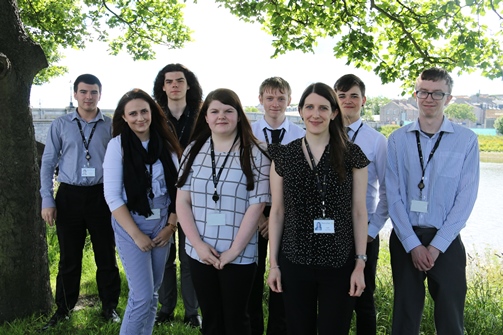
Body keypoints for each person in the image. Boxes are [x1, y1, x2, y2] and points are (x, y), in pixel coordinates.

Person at [267, 82, 369, 335]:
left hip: (339, 261)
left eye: (323, 108)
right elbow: (277, 211)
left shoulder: (352, 154)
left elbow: (359, 211)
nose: (316, 114)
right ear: (300, 111)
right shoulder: (285, 156)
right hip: (294, 260)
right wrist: (274, 264)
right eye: (309, 107)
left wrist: (360, 264)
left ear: (334, 113)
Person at [386, 67, 480, 335]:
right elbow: (393, 196)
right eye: (423, 92)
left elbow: (466, 198)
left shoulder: (466, 141)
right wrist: (413, 245)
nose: (429, 98)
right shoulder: (397, 140)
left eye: (437, 93)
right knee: (405, 318)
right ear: (415, 95)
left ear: (448, 98)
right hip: (406, 240)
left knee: (451, 320)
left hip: (446, 242)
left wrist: (437, 246)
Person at [176, 88, 271, 335]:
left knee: (237, 320)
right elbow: (182, 202)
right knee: (211, 320)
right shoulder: (193, 150)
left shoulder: (258, 152)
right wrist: (197, 244)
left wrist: (233, 251)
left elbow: (257, 204)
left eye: (229, 111)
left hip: (240, 254)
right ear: (205, 117)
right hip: (200, 252)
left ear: (239, 116)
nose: (221, 116)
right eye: (214, 111)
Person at [39, 74, 121, 330]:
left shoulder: (110, 126)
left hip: (101, 196)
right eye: (83, 92)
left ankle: (110, 307)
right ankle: (63, 309)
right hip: (69, 196)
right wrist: (46, 199)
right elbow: (48, 163)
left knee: (106, 256)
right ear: (75, 94)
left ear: (100, 94)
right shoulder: (61, 125)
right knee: (69, 258)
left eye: (93, 92)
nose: (88, 97)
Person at [103, 89, 181, 335]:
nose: (140, 118)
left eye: (144, 111)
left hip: (162, 225)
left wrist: (171, 226)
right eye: (133, 113)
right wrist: (136, 234)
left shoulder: (166, 144)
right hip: (131, 225)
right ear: (124, 117)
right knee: (142, 295)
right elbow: (113, 196)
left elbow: (179, 189)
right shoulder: (118, 146)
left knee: (153, 293)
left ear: (152, 113)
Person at [249, 76, 305, 335]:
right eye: (270, 98)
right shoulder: (246, 132)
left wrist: (278, 219)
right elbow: (243, 178)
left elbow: (303, 182)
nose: (275, 103)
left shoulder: (301, 135)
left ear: (289, 101)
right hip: (254, 214)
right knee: (252, 276)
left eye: (281, 98)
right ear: (260, 100)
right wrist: (261, 216)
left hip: (288, 213)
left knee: (282, 278)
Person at [334, 74, 388, 335]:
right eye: (341, 96)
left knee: (364, 297)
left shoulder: (377, 141)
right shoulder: (323, 133)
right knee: (333, 295)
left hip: (364, 230)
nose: (347, 101)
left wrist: (372, 229)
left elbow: (388, 192)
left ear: (364, 100)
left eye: (353, 95)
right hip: (329, 228)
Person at [152, 63, 203, 328]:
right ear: (162, 86)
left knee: (190, 254)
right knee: (165, 254)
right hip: (163, 192)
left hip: (196, 192)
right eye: (169, 81)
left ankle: (192, 312)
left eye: (180, 80)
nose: (174, 85)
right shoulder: (154, 115)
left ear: (188, 85)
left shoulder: (201, 114)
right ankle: (166, 307)